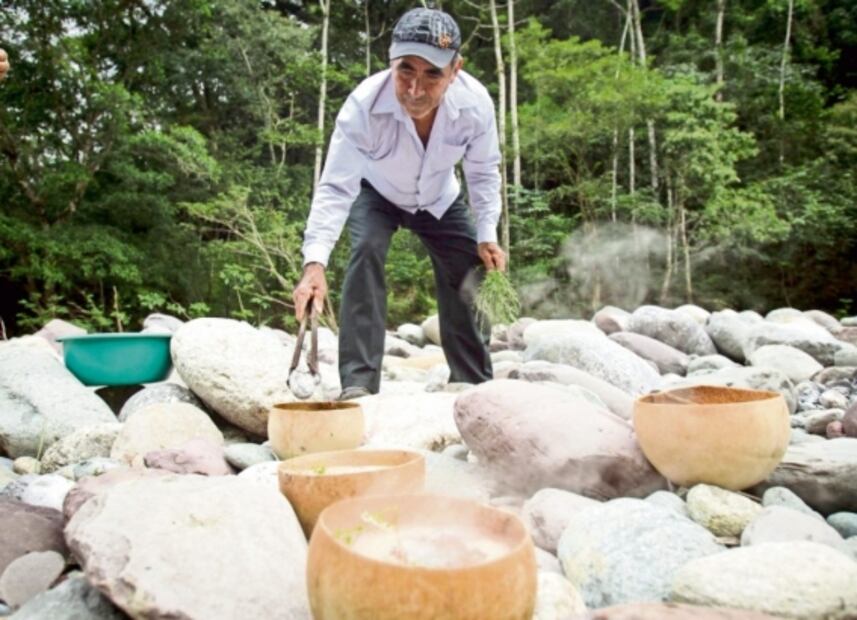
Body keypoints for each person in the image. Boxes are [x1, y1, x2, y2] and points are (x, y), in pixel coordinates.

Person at [292, 7, 505, 400]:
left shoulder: (475, 106)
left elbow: (483, 172)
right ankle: (358, 383)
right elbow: (335, 188)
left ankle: (474, 385)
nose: (415, 89)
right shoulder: (363, 107)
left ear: (455, 69)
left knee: (467, 269)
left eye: (432, 74)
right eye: (406, 70)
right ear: (390, 61)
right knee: (366, 249)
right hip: (376, 193)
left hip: (441, 197)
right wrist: (314, 264)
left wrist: (487, 232)